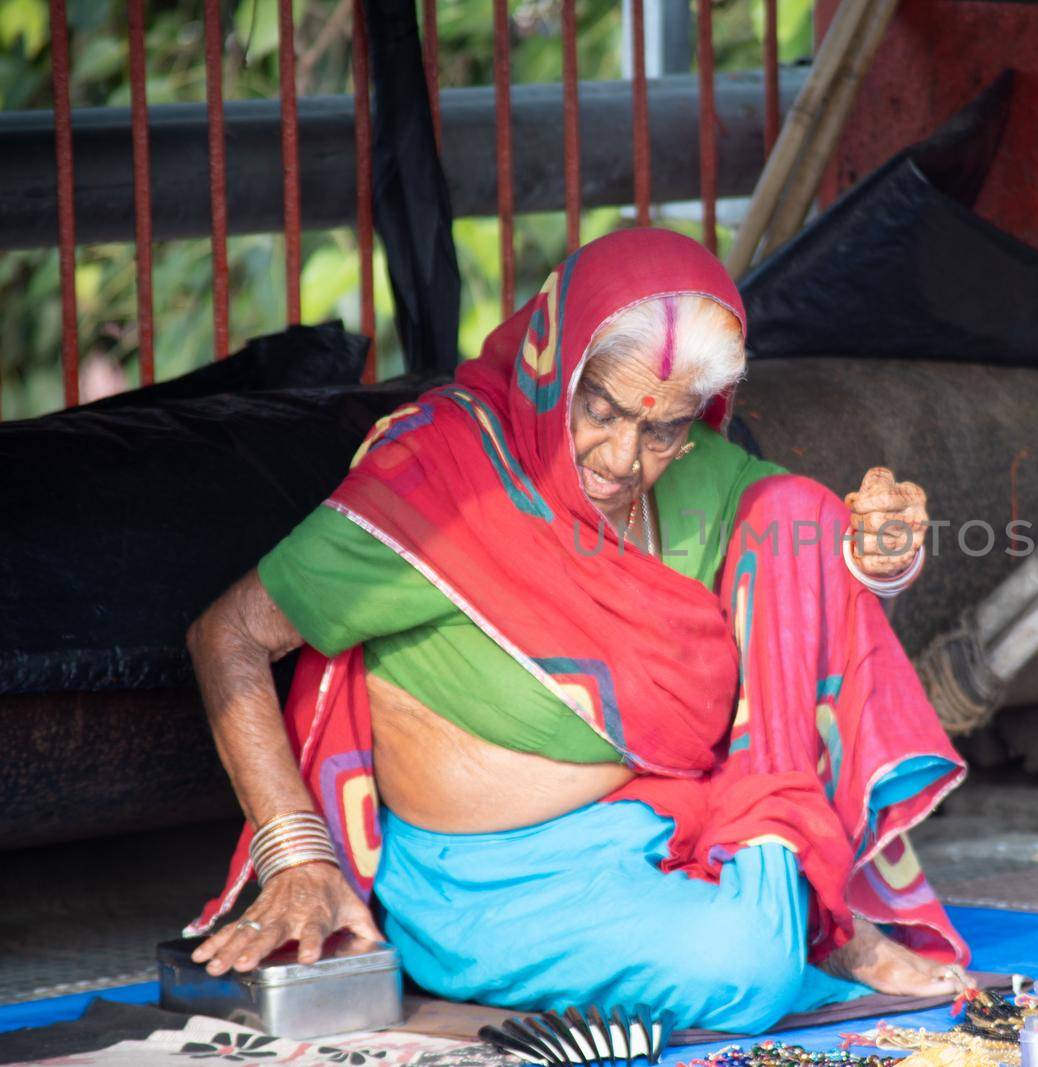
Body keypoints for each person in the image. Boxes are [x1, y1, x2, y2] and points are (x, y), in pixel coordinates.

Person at [184, 228, 968, 1033]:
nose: (624, 457)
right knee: (750, 969)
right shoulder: (443, 474)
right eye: (601, 410)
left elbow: (814, 588)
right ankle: (804, 911)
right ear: (550, 368)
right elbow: (227, 636)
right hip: (485, 889)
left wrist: (879, 558)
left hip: (660, 830)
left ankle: (800, 904)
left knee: (797, 513)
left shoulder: (700, 473)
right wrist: (299, 855)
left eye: (661, 429)